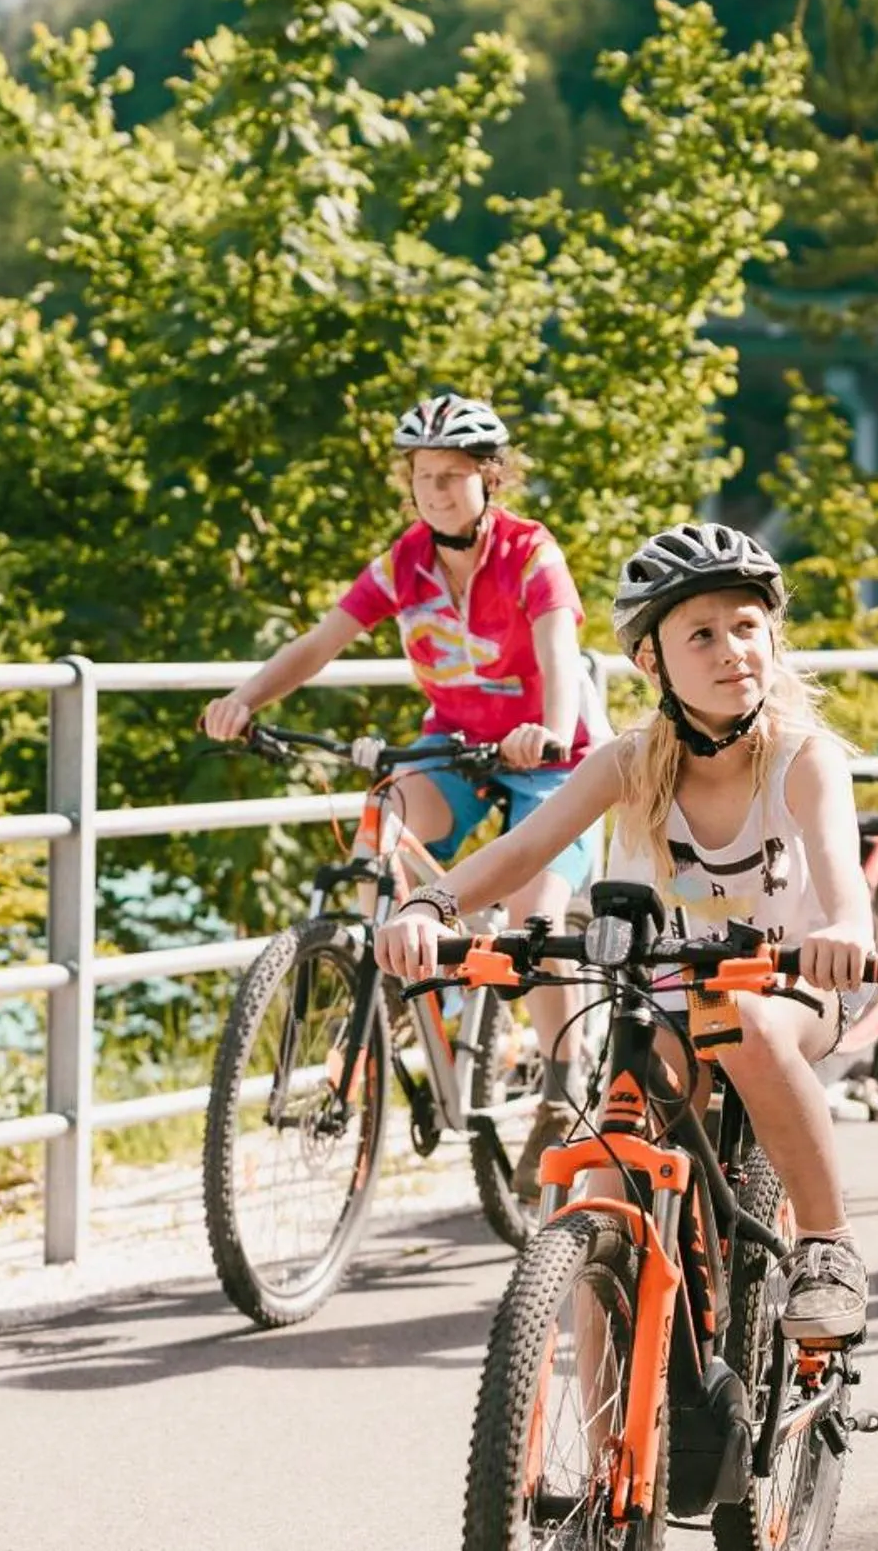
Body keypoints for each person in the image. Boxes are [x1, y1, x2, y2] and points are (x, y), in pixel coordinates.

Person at [372, 523, 878, 1343]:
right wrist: (433, 907)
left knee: (740, 1021)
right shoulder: (628, 761)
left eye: (747, 627)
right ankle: (608, 1466)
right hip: (668, 1001)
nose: (731, 650)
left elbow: (840, 872)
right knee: (600, 1186)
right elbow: (523, 847)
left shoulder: (804, 758)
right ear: (652, 664)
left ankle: (827, 1244)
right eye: (701, 635)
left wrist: (848, 927)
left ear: (773, 639)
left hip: (789, 992)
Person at [200, 394, 599, 1193]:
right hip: (454, 745)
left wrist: (547, 731)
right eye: (424, 477)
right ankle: (384, 978)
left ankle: (563, 1087)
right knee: (385, 825)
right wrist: (245, 700)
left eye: (454, 476)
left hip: (550, 756)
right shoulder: (404, 562)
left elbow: (560, 655)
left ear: (491, 477)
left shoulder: (530, 553)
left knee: (534, 921)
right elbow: (319, 642)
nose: (437, 491)